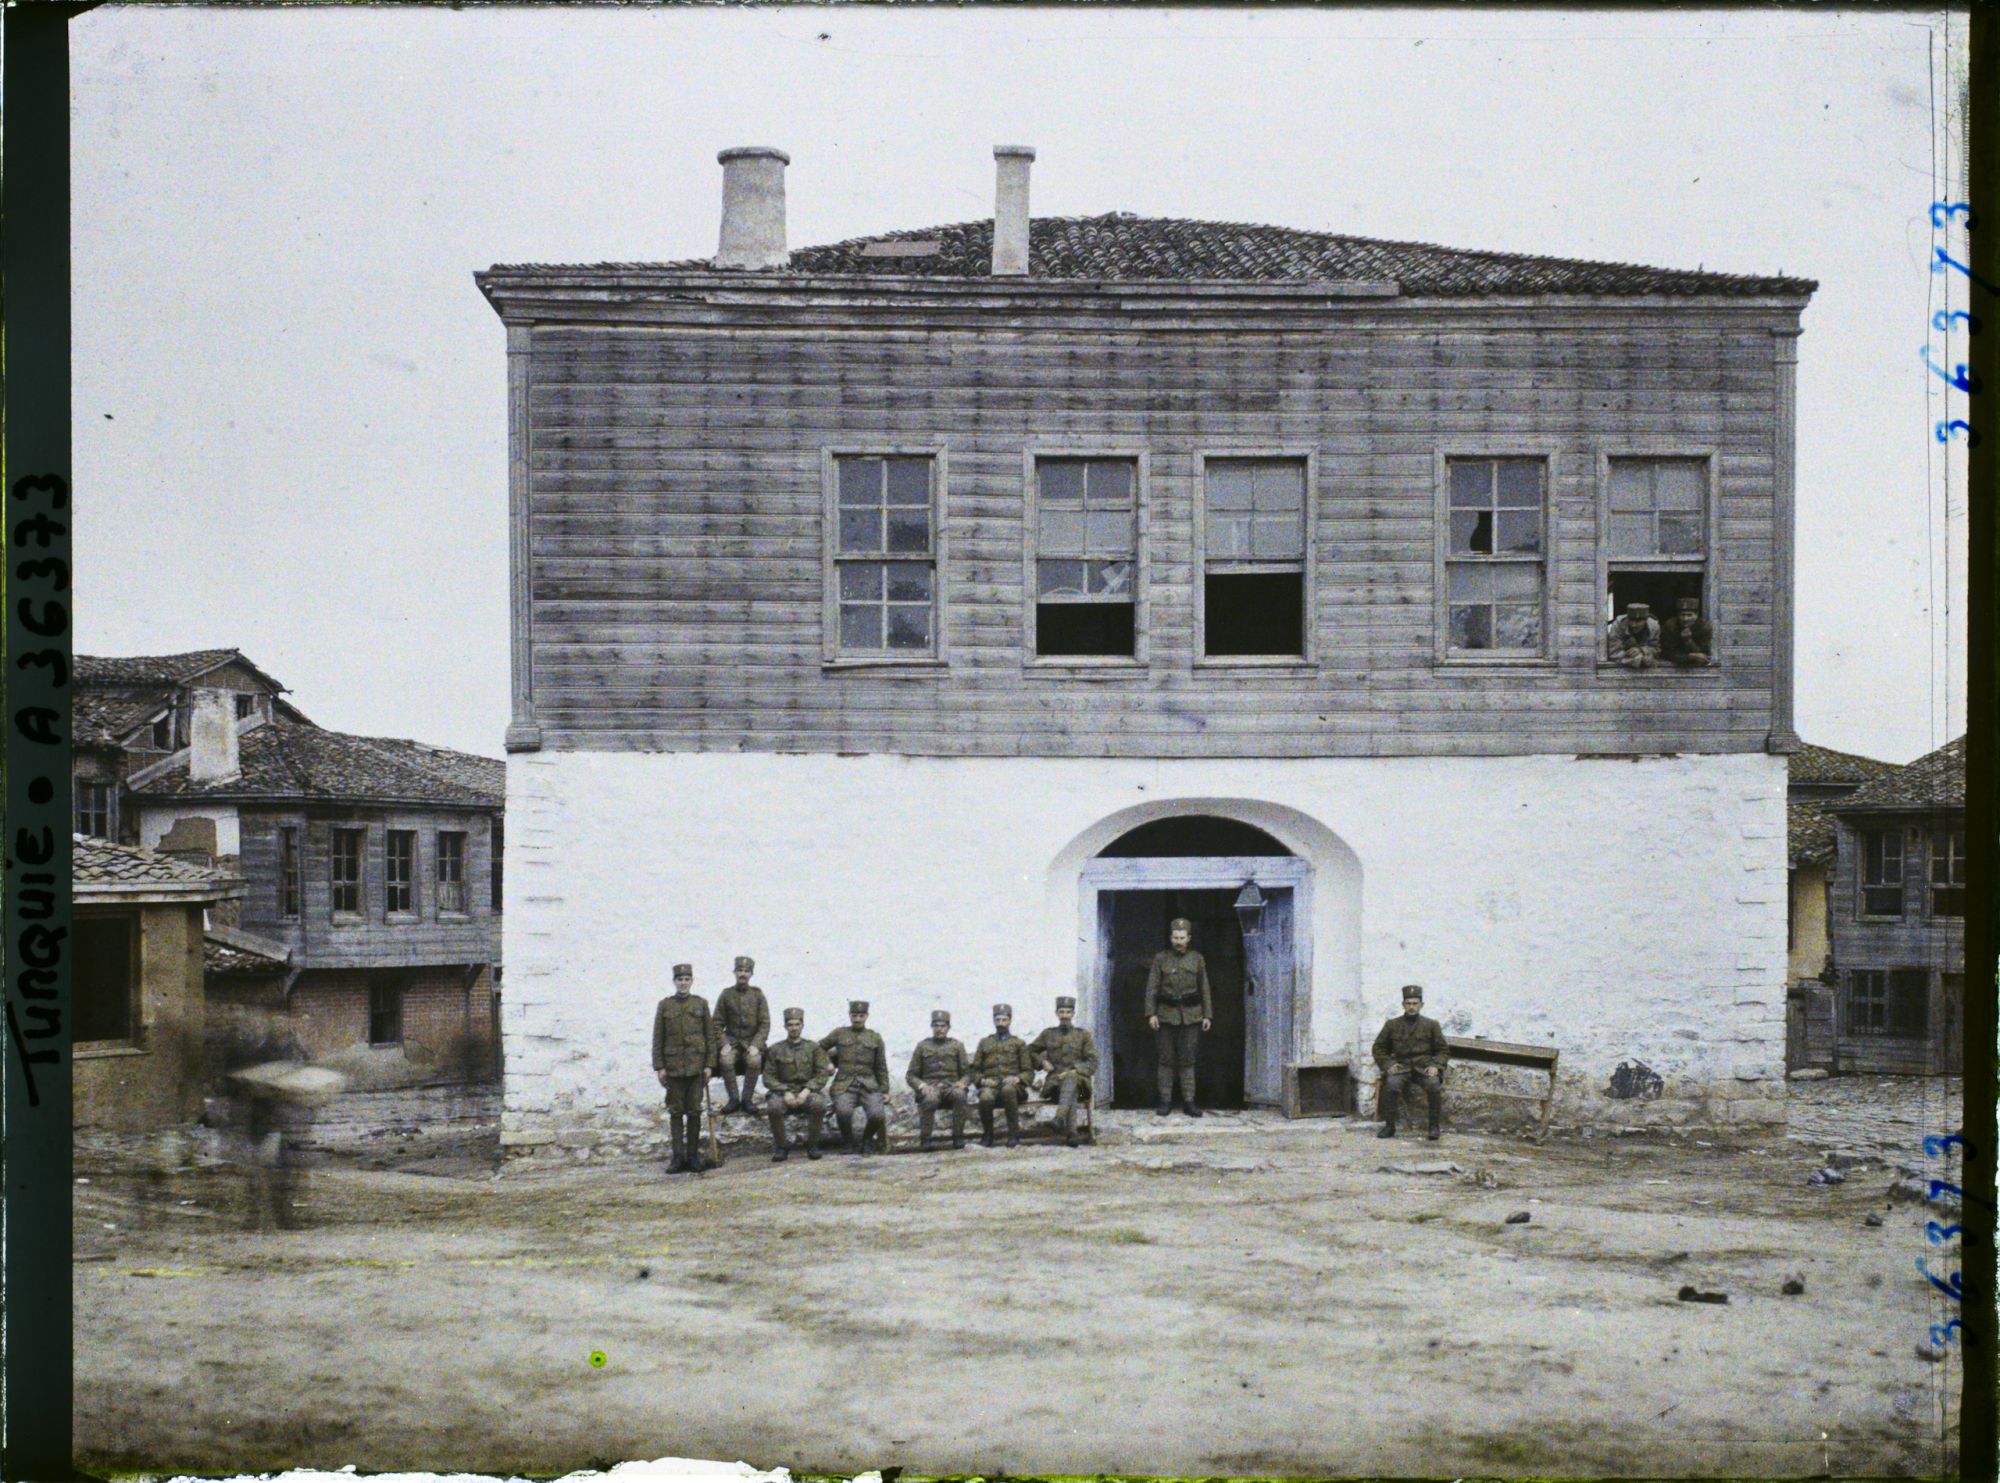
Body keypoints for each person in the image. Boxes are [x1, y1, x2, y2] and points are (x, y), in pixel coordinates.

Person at [652, 963, 718, 1174]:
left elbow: (710, 1037)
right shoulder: (665, 1006)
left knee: (694, 1112)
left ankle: (693, 1156)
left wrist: (709, 1065)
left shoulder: (701, 1004)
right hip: (673, 1069)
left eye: (686, 979)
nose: (683, 983)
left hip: (696, 1068)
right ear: (674, 981)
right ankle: (678, 1158)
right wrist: (660, 1066)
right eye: (679, 979)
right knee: (676, 1112)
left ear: (691, 981)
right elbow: (658, 1037)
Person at [1144, 917, 1212, 1117]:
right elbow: (1152, 987)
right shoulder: (1161, 959)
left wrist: (1207, 1015)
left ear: (1189, 938)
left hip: (1191, 1016)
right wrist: (1151, 1013)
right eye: (1175, 937)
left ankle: (1189, 1102)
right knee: (1165, 1059)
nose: (1178, 941)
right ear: (1170, 938)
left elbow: (1204, 988)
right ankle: (1165, 1101)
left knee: (1188, 1060)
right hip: (1166, 1016)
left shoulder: (1197, 959)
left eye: (1182, 937)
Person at [1372, 984, 1450, 1141]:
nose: (1412, 1007)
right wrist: (1389, 1065)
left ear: (1421, 1005)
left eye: (1415, 1003)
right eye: (1408, 1003)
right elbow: (1378, 1048)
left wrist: (1436, 1066)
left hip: (1424, 1068)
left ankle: (1434, 1126)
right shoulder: (1392, 1025)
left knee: (1434, 1085)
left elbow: (1443, 1050)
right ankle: (1389, 1126)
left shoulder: (1431, 1025)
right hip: (1402, 1068)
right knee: (1392, 1085)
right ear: (1403, 1005)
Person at [820, 1000, 891, 1155]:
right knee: (843, 1112)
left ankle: (866, 1140)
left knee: (877, 1115)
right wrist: (828, 1063)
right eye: (854, 1015)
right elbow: (818, 1048)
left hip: (868, 1084)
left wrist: (884, 1090)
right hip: (844, 1084)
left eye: (861, 1015)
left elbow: (881, 1066)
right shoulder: (839, 1033)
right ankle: (848, 1141)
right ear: (849, 1016)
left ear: (866, 1016)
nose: (857, 1019)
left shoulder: (875, 1038)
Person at [762, 1008, 831, 1162]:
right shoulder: (775, 1049)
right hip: (783, 1093)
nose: (794, 1028)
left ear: (802, 1025)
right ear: (785, 1027)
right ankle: (782, 1146)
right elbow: (768, 1077)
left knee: (819, 1104)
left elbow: (821, 1074)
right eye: (790, 1024)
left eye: (797, 1024)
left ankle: (812, 1144)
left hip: (807, 1092)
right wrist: (784, 1091)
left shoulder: (813, 1048)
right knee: (774, 1107)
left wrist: (806, 1090)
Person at [1030, 996, 1097, 1148]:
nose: (1065, 1015)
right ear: (1056, 1014)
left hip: (1082, 1088)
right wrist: (1042, 1062)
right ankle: (1072, 1134)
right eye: (1062, 1012)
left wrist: (1074, 1071)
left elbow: (1093, 1062)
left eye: (1068, 1012)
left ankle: (1059, 1119)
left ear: (1073, 1014)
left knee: (1072, 1079)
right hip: (1055, 1087)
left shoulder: (1083, 1035)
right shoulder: (1048, 1034)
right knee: (1069, 1089)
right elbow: (1030, 1051)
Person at [906, 1010, 972, 1151]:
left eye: (943, 1025)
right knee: (930, 1099)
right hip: (931, 1088)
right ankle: (926, 1140)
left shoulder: (957, 1046)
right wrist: (922, 1085)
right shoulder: (922, 1046)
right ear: (932, 1027)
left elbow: (967, 1073)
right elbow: (911, 1075)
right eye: (936, 1025)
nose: (939, 1029)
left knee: (960, 1095)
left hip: (951, 1087)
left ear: (948, 1027)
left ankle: (958, 1137)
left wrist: (963, 1083)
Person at [972, 1003, 1037, 1148]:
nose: (1001, 1023)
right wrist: (982, 1081)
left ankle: (1013, 1134)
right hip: (992, 1087)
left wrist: (1018, 1078)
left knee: (1008, 1089)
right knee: (985, 1096)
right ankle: (988, 1135)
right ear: (994, 1021)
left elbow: (1029, 1071)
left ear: (1010, 1021)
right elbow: (974, 1070)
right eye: (998, 1020)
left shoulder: (1018, 1044)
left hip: (1014, 1088)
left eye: (1004, 1020)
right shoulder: (984, 1043)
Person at [714, 955, 771, 1114]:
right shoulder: (726, 994)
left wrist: (756, 1045)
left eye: (747, 971)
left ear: (751, 974)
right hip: (732, 1042)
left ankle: (747, 1099)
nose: (743, 974)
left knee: (755, 1060)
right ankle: (733, 1099)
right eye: (740, 970)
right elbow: (717, 1023)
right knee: (725, 1060)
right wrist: (723, 1043)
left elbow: (764, 1024)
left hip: (751, 1042)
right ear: (734, 972)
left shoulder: (758, 995)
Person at [1660, 595, 1717, 667]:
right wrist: (1690, 656)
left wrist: (1688, 641)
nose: (1685, 619)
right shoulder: (1671, 626)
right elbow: (1667, 653)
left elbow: (1704, 655)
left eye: (1689, 615)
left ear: (1696, 615)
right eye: (1682, 615)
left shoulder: (1704, 627)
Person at [1606, 601, 1661, 670]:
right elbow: (1614, 653)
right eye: (1631, 619)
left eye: (1638, 621)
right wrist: (1634, 657)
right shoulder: (1618, 625)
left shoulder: (1654, 627)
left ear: (1646, 620)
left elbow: (1656, 650)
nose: (1633, 625)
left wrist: (1641, 650)